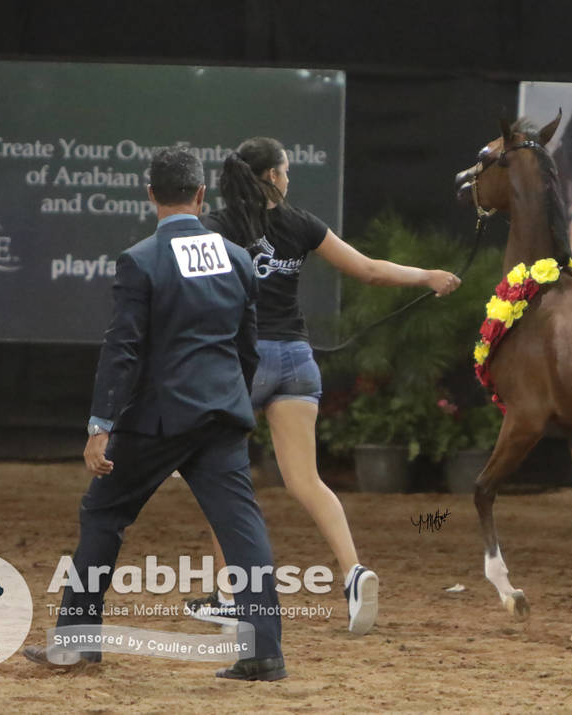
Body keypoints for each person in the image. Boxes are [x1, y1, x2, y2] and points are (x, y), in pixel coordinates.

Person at [22, 148, 286, 681]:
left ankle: (76, 644)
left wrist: (101, 424)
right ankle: (264, 653)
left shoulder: (141, 259)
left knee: (104, 515)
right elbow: (248, 347)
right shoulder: (237, 258)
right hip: (222, 415)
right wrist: (232, 396)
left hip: (159, 420)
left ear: (150, 196)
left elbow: (123, 349)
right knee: (241, 528)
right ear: (200, 196)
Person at [185, 136, 461, 636]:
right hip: (296, 360)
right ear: (271, 176)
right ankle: (353, 572)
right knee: (307, 481)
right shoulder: (301, 223)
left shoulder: (217, 226)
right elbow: (370, 271)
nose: (290, 178)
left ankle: (229, 594)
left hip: (241, 363)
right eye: (286, 170)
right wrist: (427, 277)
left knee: (224, 479)